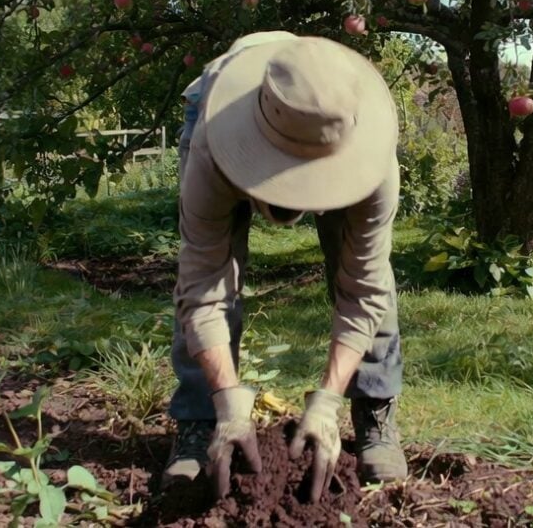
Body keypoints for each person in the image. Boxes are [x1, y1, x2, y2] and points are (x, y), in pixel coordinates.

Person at [162, 31, 408, 502]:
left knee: (369, 277)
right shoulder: (214, 147)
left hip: (333, 142)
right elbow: (203, 283)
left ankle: (374, 411)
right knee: (202, 277)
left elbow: (363, 289)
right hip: (226, 119)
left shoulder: (371, 164)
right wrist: (228, 399)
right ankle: (201, 417)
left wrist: (328, 400)